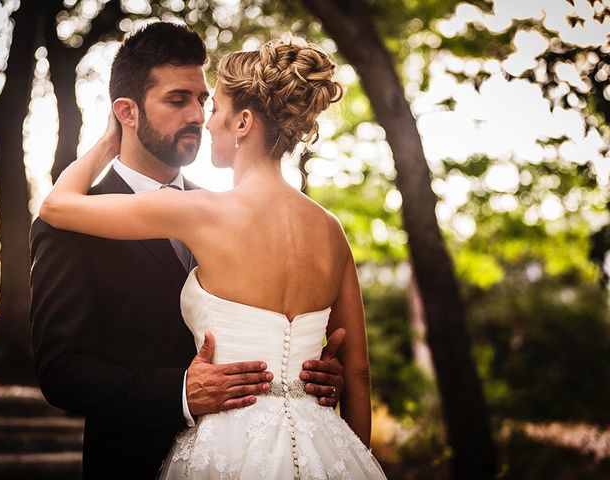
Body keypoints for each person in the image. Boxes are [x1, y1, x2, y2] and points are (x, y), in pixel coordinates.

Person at [38, 29, 386, 478]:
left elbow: (346, 370)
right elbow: (60, 371)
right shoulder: (330, 228)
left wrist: (312, 377)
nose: (201, 117)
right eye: (179, 99)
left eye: (207, 102)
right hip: (302, 451)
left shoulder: (199, 209)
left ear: (243, 123)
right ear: (126, 111)